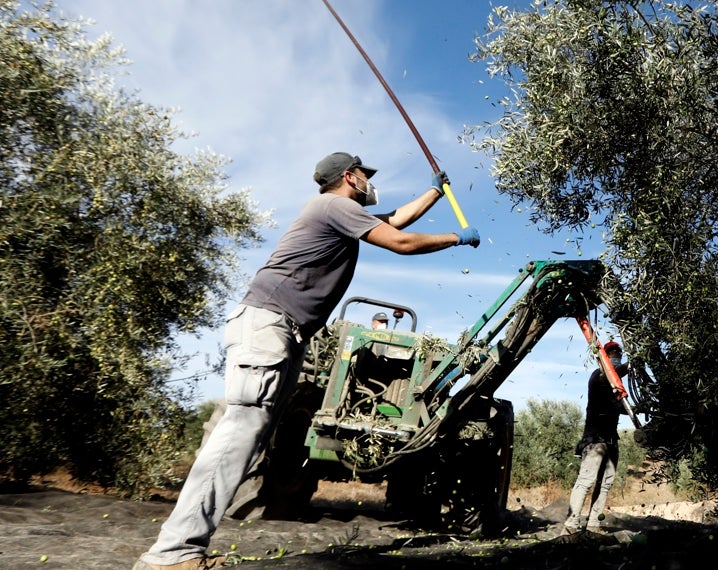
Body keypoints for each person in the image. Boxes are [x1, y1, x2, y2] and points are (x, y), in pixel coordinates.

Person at [133, 151, 479, 570]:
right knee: (239, 434)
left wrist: (434, 192)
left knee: (250, 436)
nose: (371, 183)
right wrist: (455, 238)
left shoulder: (341, 214)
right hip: (269, 326)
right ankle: (172, 553)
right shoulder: (333, 206)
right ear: (350, 178)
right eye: (366, 176)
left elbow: (396, 221)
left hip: (283, 330)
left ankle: (182, 548)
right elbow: (400, 242)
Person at [563, 340, 629, 533]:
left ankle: (593, 525)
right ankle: (571, 525)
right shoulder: (598, 377)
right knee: (585, 481)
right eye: (612, 354)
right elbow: (611, 376)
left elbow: (618, 402)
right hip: (595, 441)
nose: (616, 356)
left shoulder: (615, 383)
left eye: (618, 353)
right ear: (603, 358)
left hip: (610, 441)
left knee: (606, 483)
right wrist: (628, 367)